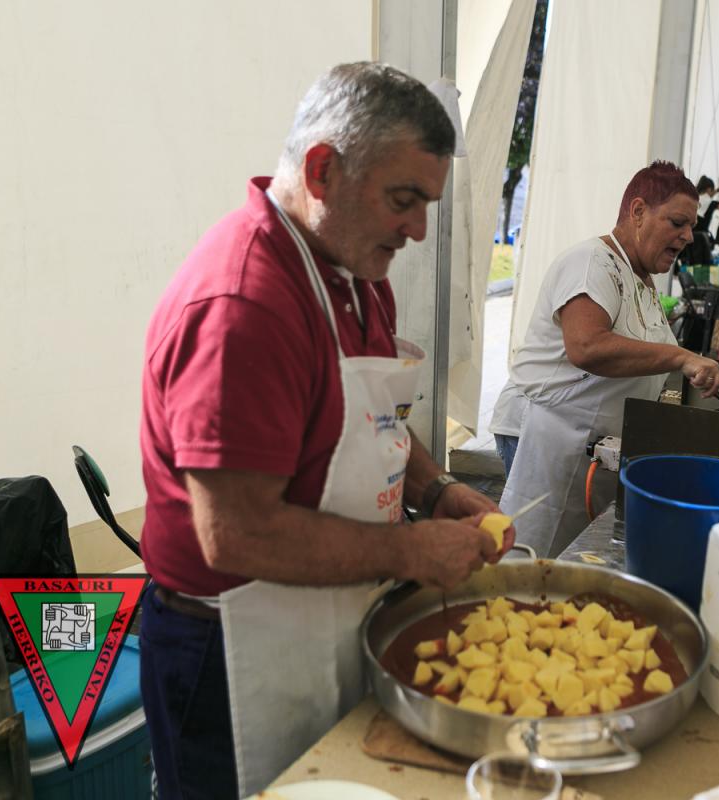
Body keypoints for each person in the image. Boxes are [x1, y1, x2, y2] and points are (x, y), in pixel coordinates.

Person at [138, 62, 511, 798]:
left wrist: (435, 490)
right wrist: (411, 550)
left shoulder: (356, 273)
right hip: (229, 649)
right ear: (322, 170)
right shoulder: (244, 307)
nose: (418, 230)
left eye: (427, 205)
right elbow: (237, 534)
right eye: (403, 200)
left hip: (328, 613)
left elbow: (375, 420)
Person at [492, 162, 719, 558]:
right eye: (677, 223)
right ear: (638, 211)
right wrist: (681, 357)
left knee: (570, 559)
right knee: (529, 558)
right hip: (549, 438)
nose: (688, 236)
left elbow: (645, 359)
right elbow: (587, 347)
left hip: (589, 445)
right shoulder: (590, 263)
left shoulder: (642, 280)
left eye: (691, 226)